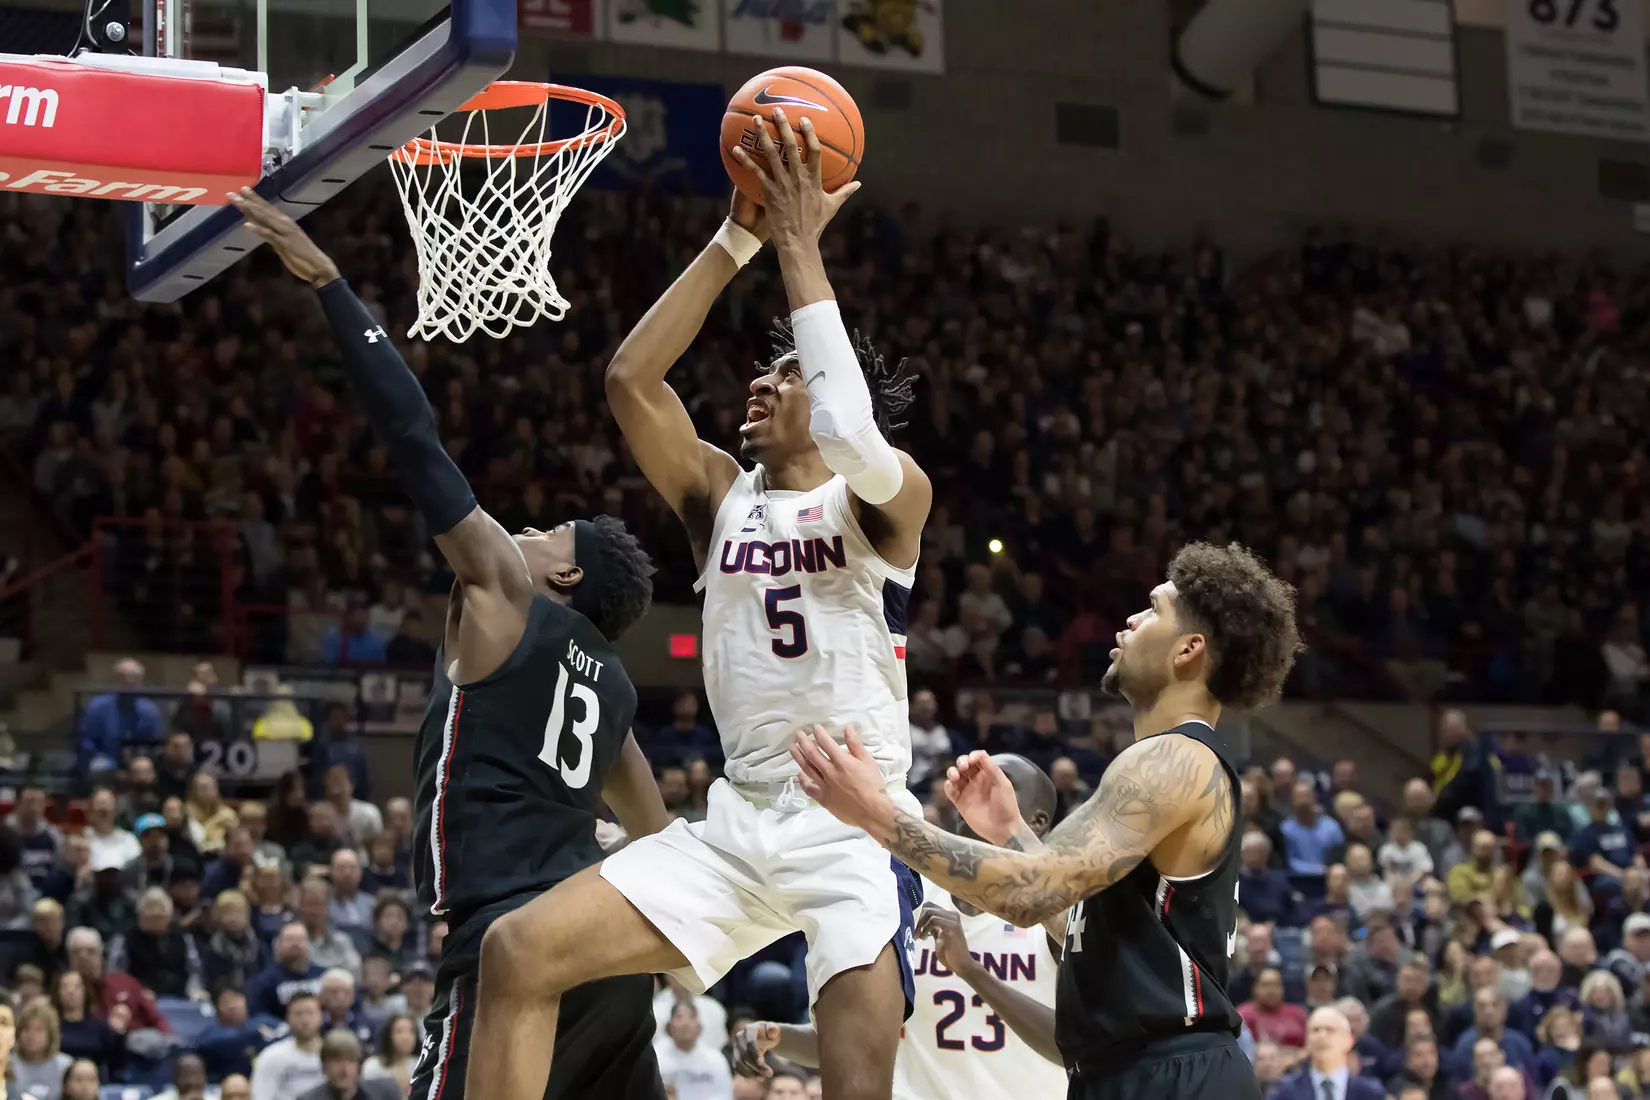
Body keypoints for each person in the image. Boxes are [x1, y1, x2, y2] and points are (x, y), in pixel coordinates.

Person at [461, 109, 933, 1100]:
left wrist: (803, 250)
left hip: (854, 827)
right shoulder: (723, 496)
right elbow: (631, 380)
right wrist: (740, 241)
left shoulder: (885, 500)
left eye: (788, 373)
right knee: (516, 951)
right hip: (737, 819)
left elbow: (851, 428)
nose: (762, 380)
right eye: (765, 369)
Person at [232, 187, 670, 1100]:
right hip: (610, 958)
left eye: (552, 533)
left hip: (514, 948)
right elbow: (661, 843)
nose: (530, 532)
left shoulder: (508, 594)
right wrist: (587, 839)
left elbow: (413, 437)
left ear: (565, 579)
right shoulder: (621, 700)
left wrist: (331, 285)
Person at [798, 542, 1301, 1100]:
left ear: (1188, 649)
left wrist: (875, 812)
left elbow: (1029, 895)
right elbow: (1080, 924)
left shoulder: (1175, 760)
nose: (1131, 620)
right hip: (1124, 1071)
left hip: (1171, 1073)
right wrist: (1012, 832)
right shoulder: (1174, 763)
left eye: (1153, 609)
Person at [733, 755, 1068, 1099]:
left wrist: (971, 971)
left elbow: (1079, 1047)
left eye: (1002, 782)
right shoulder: (907, 897)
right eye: (973, 779)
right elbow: (858, 1043)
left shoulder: (1057, 917)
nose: (981, 786)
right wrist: (777, 1036)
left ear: (1037, 821)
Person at [1264, 1006, 1385, 1100]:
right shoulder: (1283, 1091)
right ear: (1307, 1041)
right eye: (1315, 1030)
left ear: (1349, 1041)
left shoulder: (1371, 1093)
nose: (1322, 1036)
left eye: (1330, 1030)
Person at [249, 990, 326, 1100]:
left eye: (310, 1013)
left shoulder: (335, 1055)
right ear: (288, 1018)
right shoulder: (271, 1057)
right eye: (298, 1014)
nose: (304, 1020)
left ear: (321, 1016)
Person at [654, 1002, 734, 1100]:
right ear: (669, 1026)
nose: (685, 1023)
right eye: (679, 1017)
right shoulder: (656, 1056)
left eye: (691, 1017)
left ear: (699, 1027)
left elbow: (724, 1094)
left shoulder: (715, 1059)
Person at [296, 1029, 401, 1100]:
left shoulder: (386, 1092)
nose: (344, 1070)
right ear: (324, 1066)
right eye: (337, 1061)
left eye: (350, 1061)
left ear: (359, 1065)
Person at [12, 997, 72, 1100]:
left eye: (38, 1030)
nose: (31, 1035)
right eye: (26, 1029)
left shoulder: (66, 1066)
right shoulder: (7, 1066)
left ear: (50, 1034)